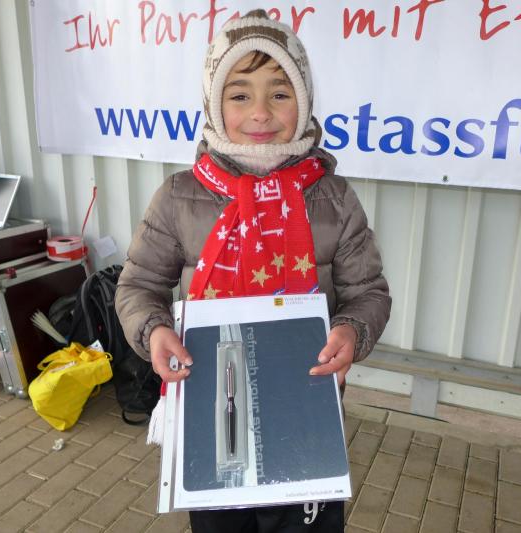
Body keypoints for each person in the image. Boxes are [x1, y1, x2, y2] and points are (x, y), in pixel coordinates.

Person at [116, 9, 391, 532]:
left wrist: (352, 331)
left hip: (306, 410)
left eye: (280, 93)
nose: (260, 113)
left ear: (304, 101)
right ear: (214, 104)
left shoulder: (334, 198)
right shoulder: (178, 196)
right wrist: (153, 331)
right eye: (240, 95)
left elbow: (368, 292)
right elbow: (139, 285)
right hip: (210, 408)